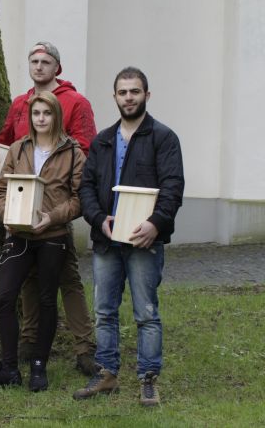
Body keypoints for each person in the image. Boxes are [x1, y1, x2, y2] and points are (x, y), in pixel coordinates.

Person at [73, 68, 184, 407]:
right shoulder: (103, 140)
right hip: (107, 241)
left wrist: (155, 224)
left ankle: (148, 379)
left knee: (146, 313)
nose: (129, 98)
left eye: (135, 91)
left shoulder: (163, 138)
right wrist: (96, 218)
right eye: (123, 92)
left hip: (144, 242)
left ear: (146, 95)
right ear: (115, 97)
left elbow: (173, 188)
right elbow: (87, 186)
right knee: (104, 311)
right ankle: (106, 373)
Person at [0, 41, 98, 375]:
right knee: (25, 282)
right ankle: (28, 341)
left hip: (56, 211)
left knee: (66, 280)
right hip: (21, 215)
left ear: (58, 67)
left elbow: (86, 146)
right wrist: (10, 208)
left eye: (46, 61)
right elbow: (6, 142)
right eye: (34, 60)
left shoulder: (76, 102)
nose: (38, 66)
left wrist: (56, 173)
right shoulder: (20, 103)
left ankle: (84, 348)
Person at [0, 92, 85, 392]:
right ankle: (9, 368)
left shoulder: (73, 151)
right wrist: (6, 216)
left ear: (56, 116)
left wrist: (52, 217)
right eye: (36, 113)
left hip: (53, 237)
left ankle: (39, 365)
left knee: (48, 300)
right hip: (18, 236)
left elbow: (79, 200)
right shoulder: (17, 149)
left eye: (46, 113)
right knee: (5, 298)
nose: (41, 119)